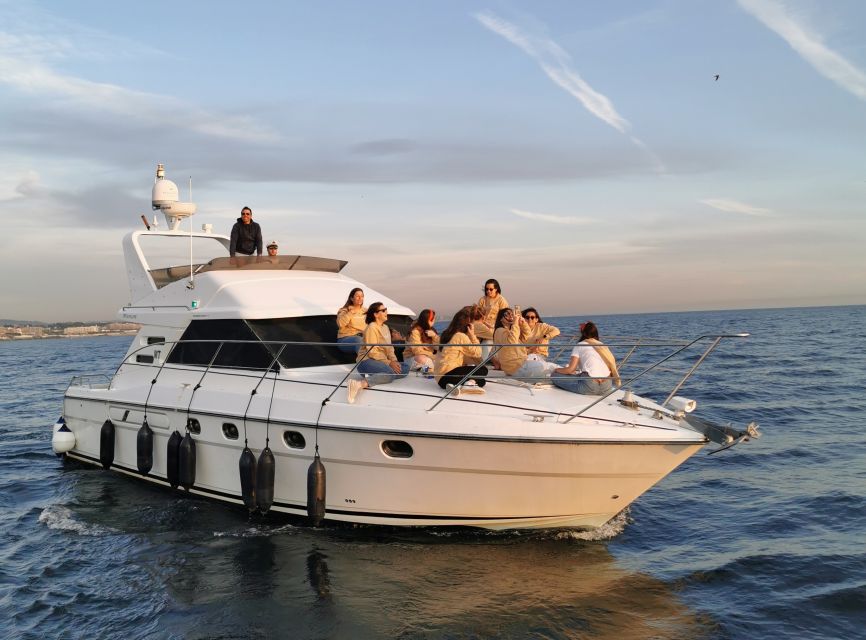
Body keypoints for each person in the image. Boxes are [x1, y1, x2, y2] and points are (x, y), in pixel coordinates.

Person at [347, 302, 410, 403]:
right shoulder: (371, 327)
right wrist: (389, 363)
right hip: (366, 361)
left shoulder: (385, 328)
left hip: (381, 362)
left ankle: (381, 375)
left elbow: (390, 349)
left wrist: (394, 361)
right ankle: (359, 384)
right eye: (383, 310)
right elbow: (372, 352)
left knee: (405, 368)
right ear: (376, 314)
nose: (386, 312)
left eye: (386, 309)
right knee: (390, 373)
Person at [552, 321, 621, 395]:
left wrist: (557, 370)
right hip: (606, 387)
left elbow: (570, 369)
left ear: (582, 333)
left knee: (554, 376)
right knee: (581, 375)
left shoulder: (580, 345)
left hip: (589, 387)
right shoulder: (602, 345)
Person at [492, 308, 556, 379]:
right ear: (501, 319)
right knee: (553, 368)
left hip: (520, 365)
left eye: (511, 313)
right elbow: (512, 342)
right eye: (506, 314)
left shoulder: (511, 331)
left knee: (549, 368)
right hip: (518, 367)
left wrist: (523, 323)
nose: (510, 315)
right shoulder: (500, 331)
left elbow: (527, 335)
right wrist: (515, 322)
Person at [434, 307, 488, 390]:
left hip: (439, 378)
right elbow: (478, 353)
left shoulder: (446, 333)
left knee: (482, 381)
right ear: (468, 324)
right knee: (483, 370)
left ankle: (464, 383)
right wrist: (472, 335)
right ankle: (465, 384)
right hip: (449, 375)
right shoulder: (460, 336)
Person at [336, 288, 367, 354]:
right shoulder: (344, 310)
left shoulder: (365, 311)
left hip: (363, 338)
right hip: (345, 339)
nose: (360, 298)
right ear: (352, 298)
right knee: (358, 340)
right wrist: (351, 312)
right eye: (357, 296)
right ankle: (364, 362)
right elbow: (340, 323)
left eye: (362, 296)